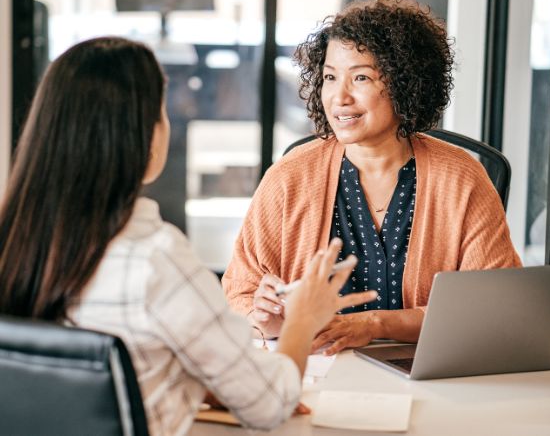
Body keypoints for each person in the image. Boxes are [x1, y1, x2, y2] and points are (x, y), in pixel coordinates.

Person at [0, 37, 375, 435]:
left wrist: (197, 380)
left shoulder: (17, 243)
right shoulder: (155, 259)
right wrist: (302, 319)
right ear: (141, 135)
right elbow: (269, 406)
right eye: (161, 112)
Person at [222, 0, 521, 355]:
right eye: (330, 77)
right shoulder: (288, 177)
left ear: (404, 81)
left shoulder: (461, 178)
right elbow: (239, 293)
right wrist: (265, 319)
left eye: (360, 77)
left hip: (425, 371)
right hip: (314, 369)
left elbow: (490, 307)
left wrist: (377, 323)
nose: (339, 97)